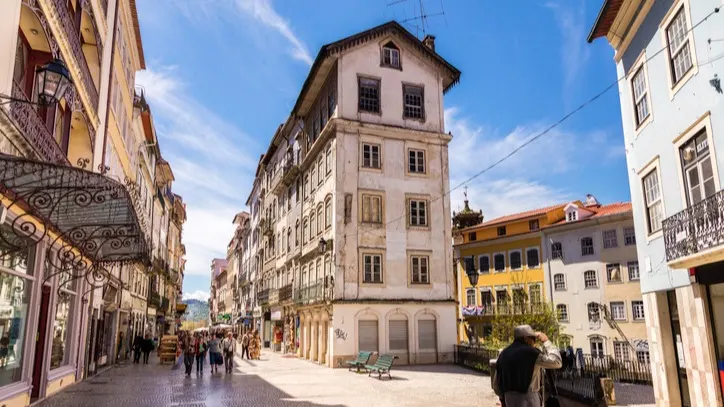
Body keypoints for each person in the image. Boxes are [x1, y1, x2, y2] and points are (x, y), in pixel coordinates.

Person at [493, 325, 562, 407]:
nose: (534, 342)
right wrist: (546, 342)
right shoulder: (531, 353)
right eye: (533, 339)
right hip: (528, 398)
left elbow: (496, 384)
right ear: (526, 339)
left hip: (509, 398)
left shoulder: (504, 353)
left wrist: (502, 398)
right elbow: (557, 362)